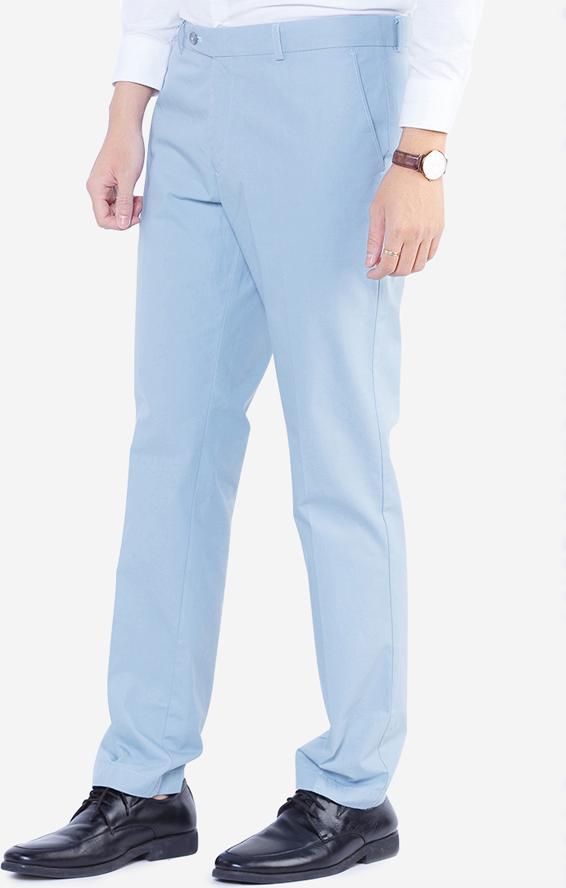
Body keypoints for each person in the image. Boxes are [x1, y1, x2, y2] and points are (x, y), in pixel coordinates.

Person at [2, 0, 482, 882]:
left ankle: (354, 787)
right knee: (172, 452)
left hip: (335, 85)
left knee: (339, 457)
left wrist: (421, 152)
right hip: (192, 87)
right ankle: (142, 782)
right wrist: (127, 108)